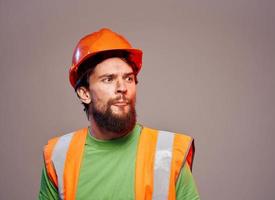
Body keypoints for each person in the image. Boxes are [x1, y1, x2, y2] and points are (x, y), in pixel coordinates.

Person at [38, 28, 200, 200]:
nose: (122, 88)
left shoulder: (169, 152)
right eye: (108, 79)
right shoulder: (59, 156)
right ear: (84, 93)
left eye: (128, 78)